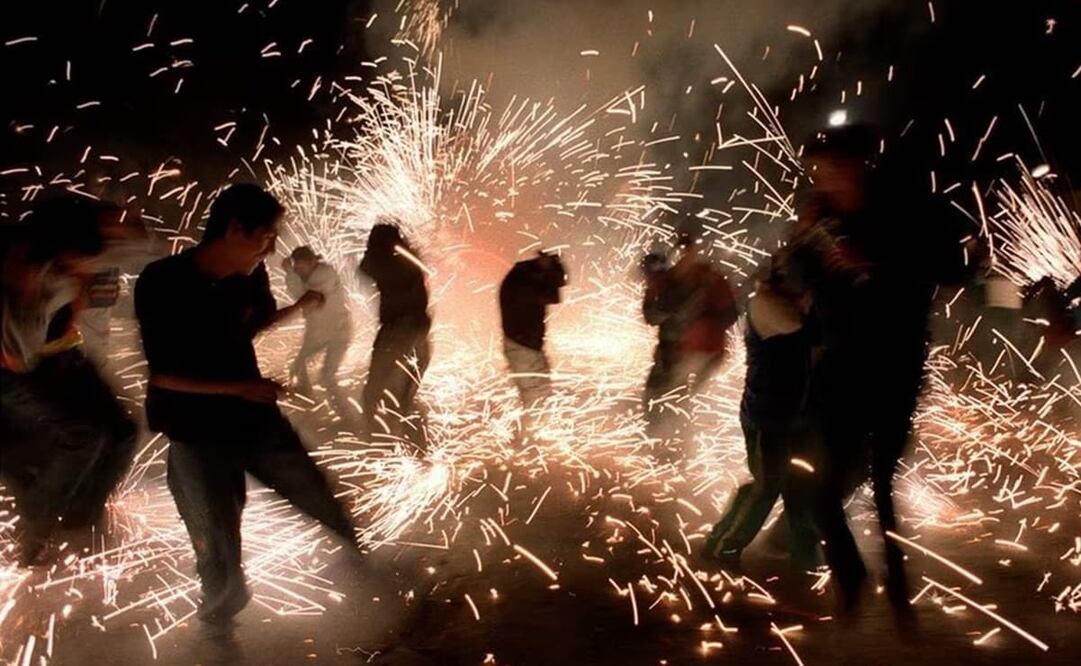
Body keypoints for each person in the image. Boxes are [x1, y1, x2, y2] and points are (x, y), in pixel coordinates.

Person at [134, 183, 358, 624]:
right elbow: (163, 376)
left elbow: (250, 328)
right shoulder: (162, 282)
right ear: (235, 228)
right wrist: (238, 388)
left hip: (253, 418)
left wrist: (296, 309)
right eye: (267, 236)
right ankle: (218, 641)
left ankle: (373, 577)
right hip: (193, 430)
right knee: (218, 550)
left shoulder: (248, 277)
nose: (272, 248)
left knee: (319, 497)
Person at [796, 125, 973, 624]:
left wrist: (876, 261)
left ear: (860, 164)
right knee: (821, 487)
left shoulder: (905, 211)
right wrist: (802, 247)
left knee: (883, 485)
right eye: (820, 169)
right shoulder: (820, 220)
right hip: (839, 370)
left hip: (894, 366)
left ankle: (896, 584)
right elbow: (801, 281)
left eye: (836, 166)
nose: (827, 176)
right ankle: (851, 575)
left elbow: (953, 266)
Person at [0, 197, 138, 565]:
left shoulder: (74, 247)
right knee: (81, 437)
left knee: (122, 432)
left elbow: (130, 245)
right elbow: (17, 357)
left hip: (60, 354)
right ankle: (36, 525)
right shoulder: (25, 268)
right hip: (16, 369)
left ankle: (80, 515)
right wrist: (35, 293)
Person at [703, 258, 818, 570]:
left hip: (790, 413)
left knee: (796, 483)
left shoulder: (782, 300)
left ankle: (805, 550)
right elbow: (813, 332)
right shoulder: (767, 304)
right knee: (767, 485)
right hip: (769, 415)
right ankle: (724, 545)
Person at [641, 233, 738, 457]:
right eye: (682, 252)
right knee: (658, 397)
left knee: (675, 399)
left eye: (690, 251)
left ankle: (675, 452)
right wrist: (666, 310)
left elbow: (730, 314)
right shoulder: (666, 281)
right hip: (671, 351)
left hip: (699, 352)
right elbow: (650, 315)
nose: (686, 256)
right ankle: (662, 450)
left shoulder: (711, 280)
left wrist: (703, 323)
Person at [356, 221, 432, 451]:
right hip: (420, 329)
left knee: (374, 390)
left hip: (398, 330)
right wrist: (403, 243)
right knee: (406, 392)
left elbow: (365, 266)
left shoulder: (384, 264)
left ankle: (374, 442)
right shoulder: (409, 262)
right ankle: (417, 448)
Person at [282, 246, 354, 420]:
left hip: (338, 333)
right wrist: (292, 274)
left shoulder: (324, 274)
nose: (299, 271)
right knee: (297, 366)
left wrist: (290, 274)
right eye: (297, 267)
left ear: (312, 262)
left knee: (327, 376)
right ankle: (310, 404)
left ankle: (347, 416)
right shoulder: (305, 277)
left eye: (301, 267)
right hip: (318, 334)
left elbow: (304, 298)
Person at [499, 252, 567, 409]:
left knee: (539, 398)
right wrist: (549, 269)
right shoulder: (521, 283)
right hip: (523, 351)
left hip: (525, 349)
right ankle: (530, 432)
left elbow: (558, 284)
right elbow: (553, 295)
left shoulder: (524, 276)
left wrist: (549, 268)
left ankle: (532, 431)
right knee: (537, 401)